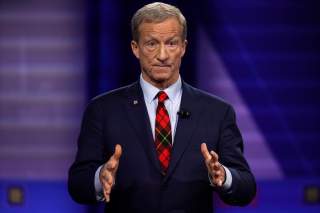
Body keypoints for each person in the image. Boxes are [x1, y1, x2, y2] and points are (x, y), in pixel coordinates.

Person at [68, 2, 256, 213]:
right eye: (151, 44)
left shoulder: (217, 112)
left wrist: (224, 175)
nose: (163, 55)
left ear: (183, 47)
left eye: (171, 43)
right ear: (135, 48)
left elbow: (246, 187)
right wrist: (99, 176)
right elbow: (77, 184)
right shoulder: (103, 110)